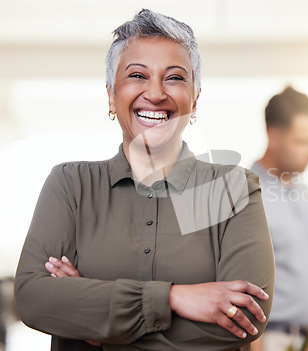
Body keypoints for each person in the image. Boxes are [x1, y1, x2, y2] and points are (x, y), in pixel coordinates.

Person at [14, 9, 274, 351]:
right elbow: (34, 298)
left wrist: (97, 324)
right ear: (111, 94)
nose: (154, 93)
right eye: (137, 75)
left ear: (194, 99)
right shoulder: (70, 185)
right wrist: (175, 298)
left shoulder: (234, 188)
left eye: (175, 78)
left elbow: (243, 319)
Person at [249, 87, 308, 351]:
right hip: (272, 340)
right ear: (274, 137)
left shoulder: (303, 191)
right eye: (303, 141)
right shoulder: (248, 194)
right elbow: (242, 280)